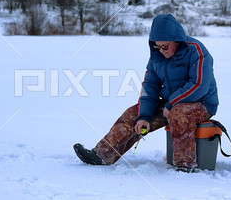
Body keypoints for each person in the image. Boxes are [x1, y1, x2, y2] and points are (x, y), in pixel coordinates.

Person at [74, 14, 219, 172]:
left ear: (176, 40)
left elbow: (199, 85)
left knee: (178, 114)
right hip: (170, 104)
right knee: (133, 114)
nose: (162, 50)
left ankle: (184, 167)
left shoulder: (196, 50)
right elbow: (149, 87)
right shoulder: (156, 58)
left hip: (201, 103)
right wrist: (144, 117)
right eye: (158, 46)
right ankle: (101, 155)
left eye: (165, 46)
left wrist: (172, 104)